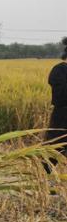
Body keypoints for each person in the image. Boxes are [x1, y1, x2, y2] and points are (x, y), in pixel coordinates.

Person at [45, 37, 67, 174]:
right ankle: (46, 179)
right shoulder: (59, 70)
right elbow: (60, 95)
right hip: (63, 116)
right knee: (55, 147)